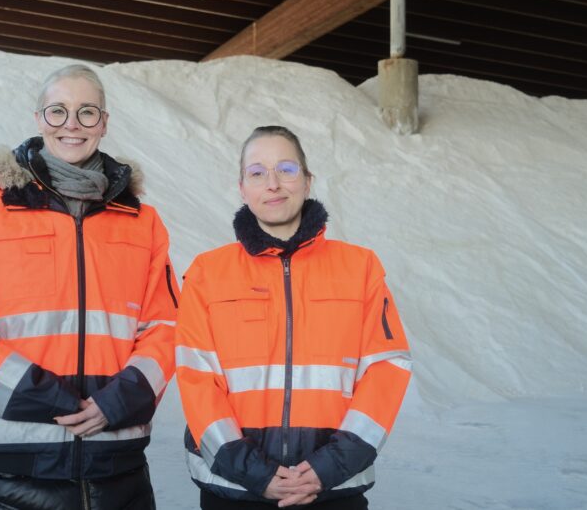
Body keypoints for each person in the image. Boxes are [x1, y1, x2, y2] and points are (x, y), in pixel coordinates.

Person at [0, 64, 180, 509]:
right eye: (58, 111)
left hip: (115, 470)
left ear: (104, 123)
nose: (71, 124)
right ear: (38, 118)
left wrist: (116, 402)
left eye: (87, 112)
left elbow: (166, 327)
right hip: (8, 474)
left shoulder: (143, 223)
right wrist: (49, 399)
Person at [175, 125, 412, 509]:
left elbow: (386, 368)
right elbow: (196, 377)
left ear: (307, 181)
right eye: (257, 173)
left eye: (286, 169)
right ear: (242, 188)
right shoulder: (207, 273)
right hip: (234, 490)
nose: (273, 184)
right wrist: (254, 472)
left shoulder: (360, 268)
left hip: (332, 489)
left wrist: (330, 465)